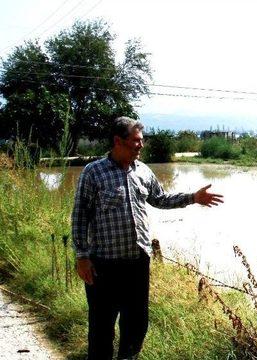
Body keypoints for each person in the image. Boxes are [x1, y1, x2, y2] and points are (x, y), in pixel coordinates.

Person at [71, 116, 224, 360]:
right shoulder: (93, 173)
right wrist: (82, 257)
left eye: (142, 141)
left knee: (136, 323)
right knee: (101, 327)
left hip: (137, 263)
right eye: (136, 141)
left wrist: (193, 198)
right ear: (118, 141)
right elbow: (79, 216)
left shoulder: (143, 171)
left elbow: (160, 199)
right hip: (103, 265)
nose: (141, 146)